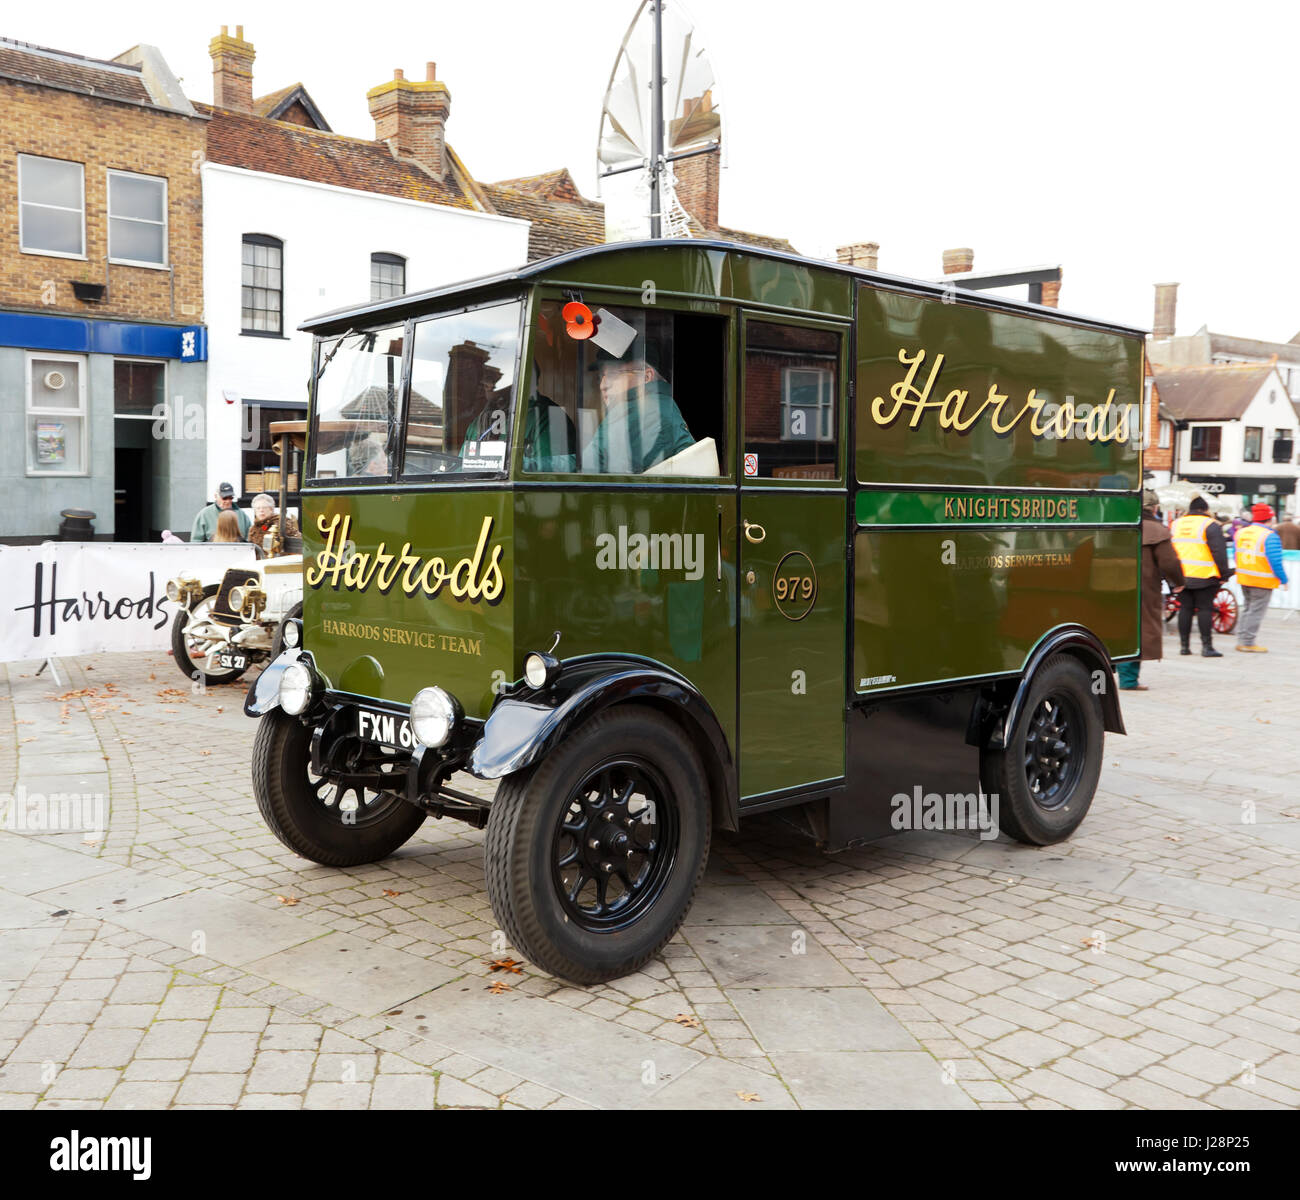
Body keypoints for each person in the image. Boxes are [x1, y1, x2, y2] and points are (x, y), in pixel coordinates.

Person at [535, 345, 695, 474]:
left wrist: (527, 466)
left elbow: (592, 466)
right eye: (601, 377)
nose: (603, 385)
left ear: (646, 377)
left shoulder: (645, 410)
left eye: (613, 374)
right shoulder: (658, 405)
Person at [1119, 489, 1185, 691]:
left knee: (1118, 627)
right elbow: (1169, 562)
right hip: (1142, 588)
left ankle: (1107, 676)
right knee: (1138, 629)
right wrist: (1178, 581)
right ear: (1154, 508)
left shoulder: (1117, 524)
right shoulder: (1156, 530)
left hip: (1111, 584)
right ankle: (1128, 679)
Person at [1170, 495, 1229, 657]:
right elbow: (1219, 552)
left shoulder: (1175, 524)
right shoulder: (1210, 525)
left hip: (1180, 575)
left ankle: (1184, 647)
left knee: (1185, 609)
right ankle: (1207, 647)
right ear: (1205, 510)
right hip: (1204, 575)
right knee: (1204, 609)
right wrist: (1224, 574)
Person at [1234, 503, 1289, 653]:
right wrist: (1284, 579)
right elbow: (1275, 561)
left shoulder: (1241, 533)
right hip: (1261, 580)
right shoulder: (1269, 536)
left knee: (1247, 609)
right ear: (1270, 518)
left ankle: (1242, 639)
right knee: (1256, 611)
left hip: (1244, 577)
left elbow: (1236, 554)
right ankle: (1248, 642)